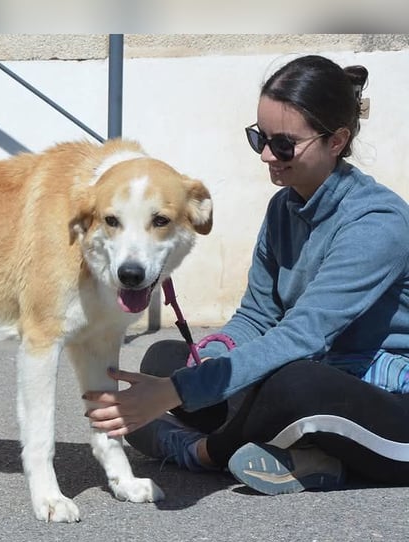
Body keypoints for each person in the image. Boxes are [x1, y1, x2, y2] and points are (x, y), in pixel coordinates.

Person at [84, 54, 409, 495]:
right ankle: (304, 458)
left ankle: (205, 453)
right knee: (167, 358)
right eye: (260, 138)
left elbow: (302, 336)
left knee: (292, 381)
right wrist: (209, 356)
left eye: (284, 144)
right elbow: (257, 317)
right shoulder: (284, 207)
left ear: (337, 140)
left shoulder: (378, 223)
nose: (266, 155)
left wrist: (175, 393)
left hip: (388, 399)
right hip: (319, 368)